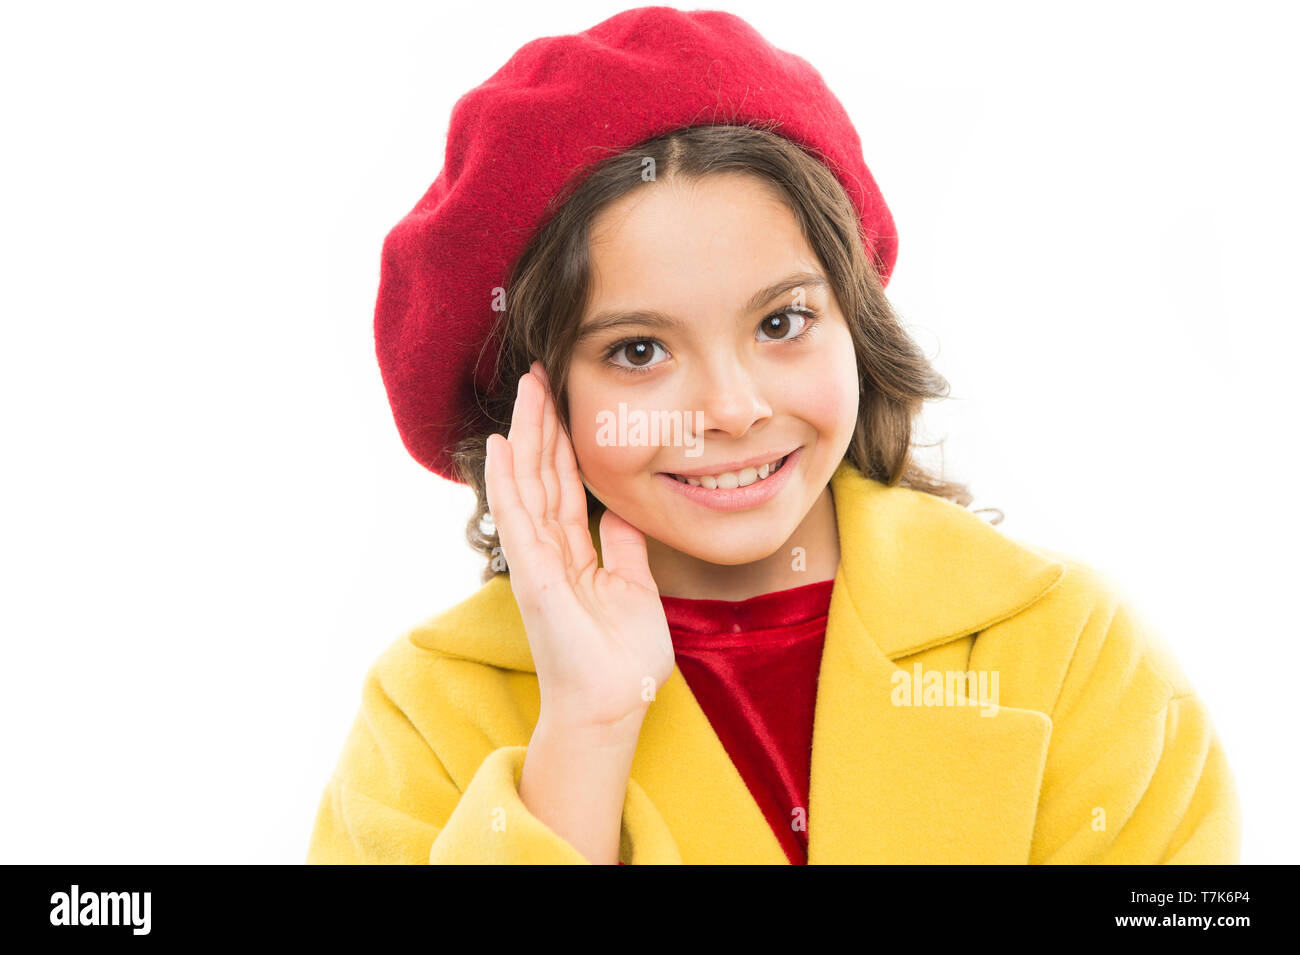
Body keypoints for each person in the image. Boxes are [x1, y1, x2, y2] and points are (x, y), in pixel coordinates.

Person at [306, 6, 1241, 865]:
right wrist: (585, 731)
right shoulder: (427, 715)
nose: (733, 406)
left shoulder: (1067, 647)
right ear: (533, 403)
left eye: (782, 323)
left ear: (856, 322)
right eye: (638, 349)